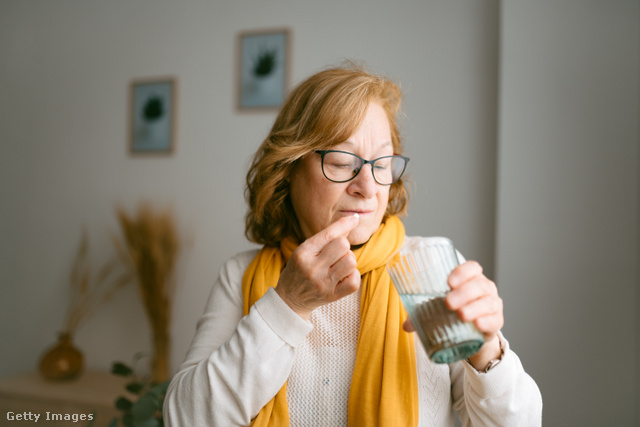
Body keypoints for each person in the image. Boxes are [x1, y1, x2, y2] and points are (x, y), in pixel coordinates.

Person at [163, 65, 542, 426]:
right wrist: (288, 305)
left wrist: (487, 351)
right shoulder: (241, 275)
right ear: (288, 168)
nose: (368, 187)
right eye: (343, 161)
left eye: (381, 163)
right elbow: (184, 419)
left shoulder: (430, 267)